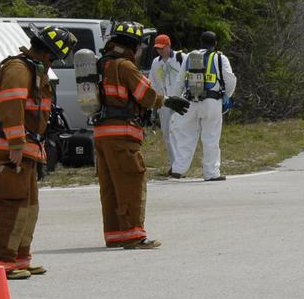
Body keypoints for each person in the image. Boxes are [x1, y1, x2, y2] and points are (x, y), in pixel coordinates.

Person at [0, 25, 75, 279]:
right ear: (48, 54)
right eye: (54, 58)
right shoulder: (19, 69)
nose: (53, 63)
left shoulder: (32, 70)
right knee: (11, 205)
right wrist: (15, 142)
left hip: (28, 148)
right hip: (13, 148)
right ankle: (0, 261)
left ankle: (19, 257)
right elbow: (11, 104)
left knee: (28, 206)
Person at [94, 20, 189, 248]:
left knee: (110, 188)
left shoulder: (101, 64)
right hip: (122, 134)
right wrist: (166, 100)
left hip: (101, 134)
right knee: (130, 182)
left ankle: (115, 235)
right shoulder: (124, 66)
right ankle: (134, 235)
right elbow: (145, 95)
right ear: (133, 45)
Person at [171, 30, 236, 181]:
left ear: (200, 42)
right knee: (211, 137)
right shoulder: (220, 58)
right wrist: (227, 95)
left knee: (185, 136)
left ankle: (178, 169)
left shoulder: (189, 56)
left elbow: (179, 81)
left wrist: (175, 100)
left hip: (190, 101)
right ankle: (211, 173)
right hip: (212, 103)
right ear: (215, 43)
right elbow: (230, 80)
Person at [146, 33, 186, 174]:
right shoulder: (156, 63)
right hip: (164, 102)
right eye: (157, 48)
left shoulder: (181, 58)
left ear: (169, 46)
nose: (160, 51)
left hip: (179, 101)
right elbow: (152, 82)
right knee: (167, 134)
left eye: (162, 48)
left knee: (179, 133)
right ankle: (174, 164)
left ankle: (181, 164)